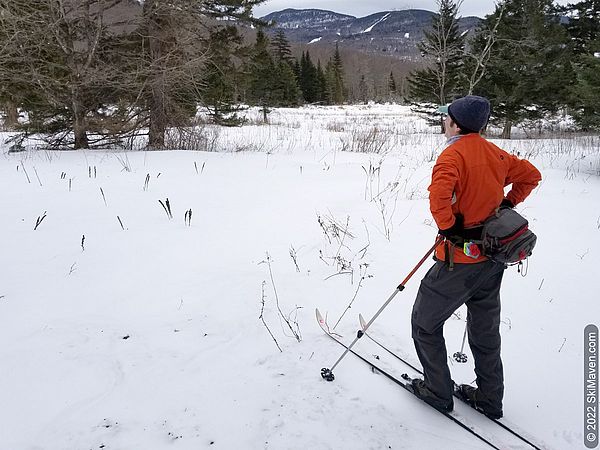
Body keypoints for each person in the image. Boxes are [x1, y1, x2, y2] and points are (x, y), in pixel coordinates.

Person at [410, 95, 542, 419]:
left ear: (456, 123)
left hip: (460, 263)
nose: (444, 122)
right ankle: (489, 398)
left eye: (447, 118)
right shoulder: (495, 153)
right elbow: (531, 175)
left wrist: (450, 225)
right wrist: (508, 204)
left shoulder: (451, 156)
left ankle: (438, 392)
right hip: (493, 262)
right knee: (484, 330)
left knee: (424, 325)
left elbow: (438, 196)